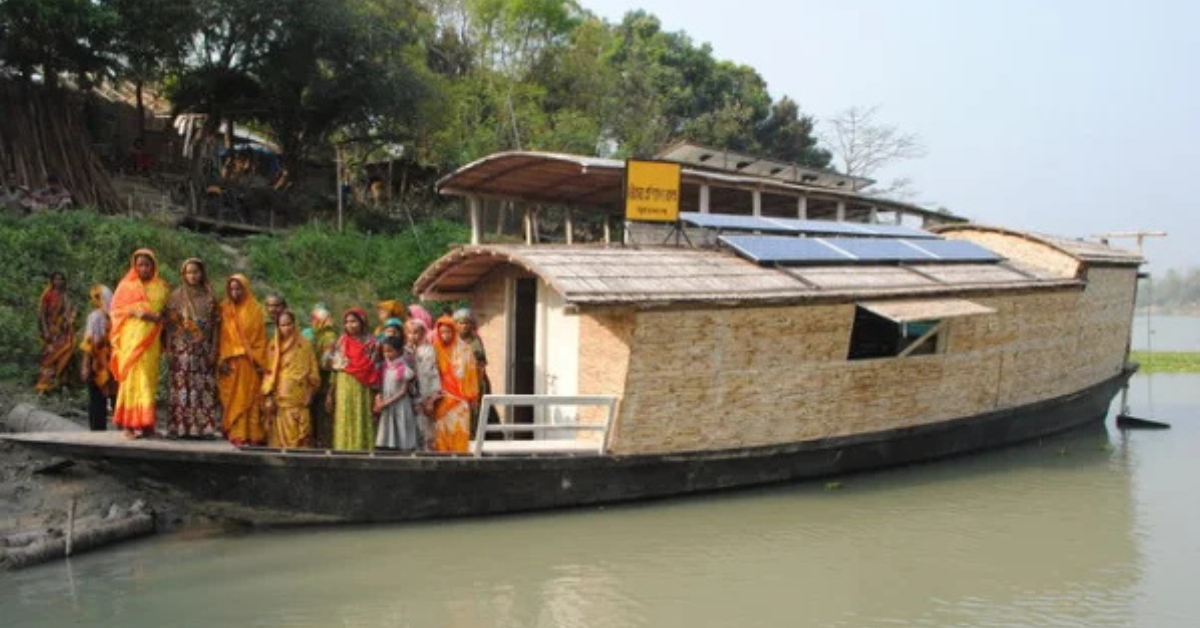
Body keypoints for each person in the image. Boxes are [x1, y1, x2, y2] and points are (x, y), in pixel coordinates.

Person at [110, 249, 170, 438]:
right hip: (131, 340)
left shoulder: (162, 286)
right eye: (140, 265)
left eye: (147, 265)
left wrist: (156, 318)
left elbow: (167, 313)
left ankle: (147, 426)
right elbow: (116, 311)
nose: (143, 268)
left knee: (149, 380)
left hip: (151, 341)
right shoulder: (126, 286)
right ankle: (128, 425)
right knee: (131, 379)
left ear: (154, 266)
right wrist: (136, 312)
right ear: (134, 266)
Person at [164, 258, 223, 438]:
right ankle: (179, 427)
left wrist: (213, 349)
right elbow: (169, 326)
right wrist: (169, 349)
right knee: (181, 387)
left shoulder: (210, 297)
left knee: (202, 387)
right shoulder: (176, 296)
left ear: (202, 273)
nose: (192, 276)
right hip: (181, 351)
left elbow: (216, 326)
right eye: (189, 272)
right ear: (184, 274)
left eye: (196, 272)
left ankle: (203, 428)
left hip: (202, 350)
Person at [217, 274, 268, 446]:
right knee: (232, 398)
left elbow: (260, 338)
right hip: (229, 360)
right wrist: (222, 358)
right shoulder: (224, 308)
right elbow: (221, 336)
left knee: (250, 399)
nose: (235, 292)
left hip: (249, 361)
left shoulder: (255, 309)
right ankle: (236, 433)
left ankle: (253, 435)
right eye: (232, 289)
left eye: (239, 288)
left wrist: (257, 358)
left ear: (245, 289)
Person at [262, 310, 321, 448]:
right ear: (278, 327)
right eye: (283, 325)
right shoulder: (273, 346)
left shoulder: (304, 345)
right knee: (278, 437)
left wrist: (310, 393)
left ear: (294, 324)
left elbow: (313, 372)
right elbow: (268, 372)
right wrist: (268, 395)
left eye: (289, 324)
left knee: (302, 437)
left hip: (299, 398)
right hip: (279, 398)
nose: (286, 328)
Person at [325, 308, 379, 451]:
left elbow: (375, 369)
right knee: (345, 418)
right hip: (344, 385)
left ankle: (362, 452)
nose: (350, 325)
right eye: (347, 322)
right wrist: (330, 393)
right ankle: (343, 451)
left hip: (363, 387)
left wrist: (377, 394)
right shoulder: (342, 341)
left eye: (353, 321)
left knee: (361, 417)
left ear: (362, 322)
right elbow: (336, 369)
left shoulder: (372, 343)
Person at [430, 315, 480, 453]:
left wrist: (473, 397)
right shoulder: (434, 349)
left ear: (454, 331)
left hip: (460, 402)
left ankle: (460, 464)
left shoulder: (465, 350)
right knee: (441, 435)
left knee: (459, 434)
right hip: (441, 400)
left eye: (448, 331)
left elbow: (472, 374)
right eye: (442, 332)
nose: (445, 335)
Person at [454, 308, 498, 437]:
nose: (464, 326)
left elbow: (481, 364)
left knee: (475, 412)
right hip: (455, 383)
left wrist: (476, 383)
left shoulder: (475, 341)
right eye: (461, 323)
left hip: (475, 382)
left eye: (467, 323)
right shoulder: (451, 341)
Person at [79, 285, 116, 431]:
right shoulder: (116, 316)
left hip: (100, 362)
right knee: (112, 396)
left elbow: (89, 342)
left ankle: (98, 430)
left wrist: (86, 364)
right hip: (111, 361)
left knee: (98, 398)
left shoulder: (95, 316)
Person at [35, 271, 76, 394]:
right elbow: (42, 314)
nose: (59, 282)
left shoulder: (65, 296)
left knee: (65, 355)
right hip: (50, 333)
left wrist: (70, 318)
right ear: (52, 281)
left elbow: (69, 313)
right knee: (49, 358)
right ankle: (44, 386)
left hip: (63, 332)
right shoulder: (47, 295)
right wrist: (45, 331)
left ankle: (63, 384)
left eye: (61, 279)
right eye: (56, 279)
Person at [374, 336, 418, 451]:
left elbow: (403, 391)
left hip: (400, 405)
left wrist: (386, 403)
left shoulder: (404, 368)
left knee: (401, 431)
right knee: (387, 433)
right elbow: (380, 386)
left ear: (399, 351)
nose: (387, 354)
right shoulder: (384, 366)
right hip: (386, 405)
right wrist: (378, 400)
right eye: (385, 351)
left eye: (390, 351)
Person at [406, 318, 441, 450]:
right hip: (412, 396)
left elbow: (432, 375)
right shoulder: (409, 350)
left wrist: (430, 400)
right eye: (409, 333)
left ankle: (427, 457)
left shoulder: (428, 351)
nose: (412, 336)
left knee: (426, 430)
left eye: (416, 332)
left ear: (423, 333)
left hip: (425, 396)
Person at [307, 303, 338, 448]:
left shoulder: (329, 337)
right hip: (315, 383)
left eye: (314, 319)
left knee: (323, 418)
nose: (312, 322)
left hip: (325, 383)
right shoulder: (317, 335)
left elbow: (326, 364)